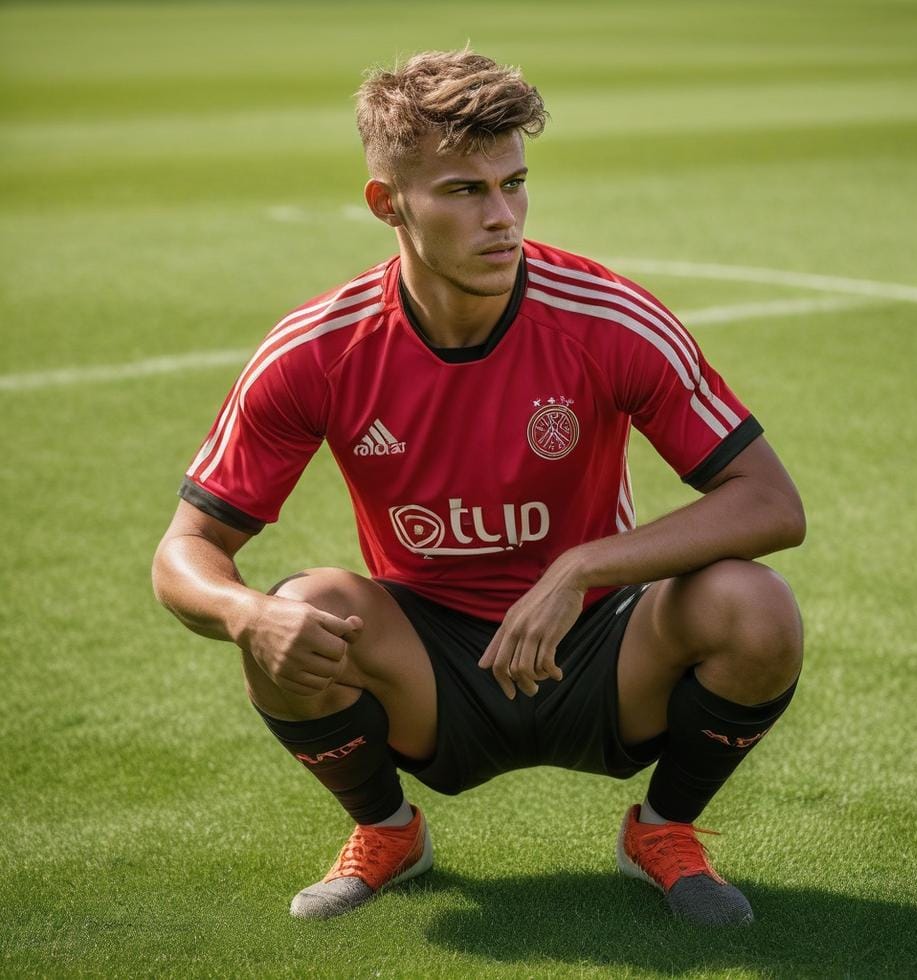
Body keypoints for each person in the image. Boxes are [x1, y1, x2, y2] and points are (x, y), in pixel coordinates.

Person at [152, 49, 805, 928]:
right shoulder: (318, 349)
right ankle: (386, 832)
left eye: (515, 184)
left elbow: (770, 503)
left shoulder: (605, 318)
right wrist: (245, 617)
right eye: (464, 191)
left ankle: (664, 831)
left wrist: (578, 570)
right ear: (389, 204)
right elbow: (185, 551)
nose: (503, 218)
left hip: (602, 645)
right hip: (430, 667)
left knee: (756, 608)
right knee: (304, 604)